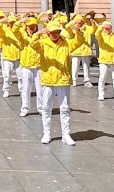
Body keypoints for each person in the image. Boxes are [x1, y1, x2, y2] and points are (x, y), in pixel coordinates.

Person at [35, 17, 85, 145]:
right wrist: (37, 34)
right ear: (48, 32)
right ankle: (46, 133)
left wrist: (78, 31)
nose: (55, 34)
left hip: (63, 80)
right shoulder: (43, 43)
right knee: (46, 108)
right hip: (49, 80)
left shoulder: (66, 43)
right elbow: (32, 45)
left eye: (57, 31)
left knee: (65, 108)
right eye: (52, 32)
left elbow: (79, 42)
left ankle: (66, 134)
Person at [17, 17, 43, 117]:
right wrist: (20, 21)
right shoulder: (22, 36)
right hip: (26, 66)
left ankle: (40, 108)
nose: (31, 28)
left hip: (38, 66)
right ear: (26, 27)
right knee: (26, 89)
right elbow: (15, 29)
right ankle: (25, 108)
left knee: (40, 89)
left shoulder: (40, 37)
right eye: (30, 26)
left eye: (33, 26)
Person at [94, 20, 114, 101]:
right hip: (104, 60)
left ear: (111, 28)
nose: (107, 29)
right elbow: (97, 34)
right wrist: (101, 27)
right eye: (106, 28)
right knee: (102, 77)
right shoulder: (101, 36)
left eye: (109, 28)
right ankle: (101, 93)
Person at [70, 12, 96, 88]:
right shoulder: (72, 28)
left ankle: (87, 81)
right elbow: (66, 27)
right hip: (76, 50)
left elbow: (93, 30)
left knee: (86, 66)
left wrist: (93, 24)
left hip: (86, 50)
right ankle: (73, 80)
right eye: (77, 21)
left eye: (80, 21)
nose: (79, 22)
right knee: (75, 66)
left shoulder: (87, 27)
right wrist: (73, 22)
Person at [0, 14, 22, 98]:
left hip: (18, 56)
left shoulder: (19, 30)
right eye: (10, 22)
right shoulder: (4, 30)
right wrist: (2, 20)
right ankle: (6, 90)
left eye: (13, 22)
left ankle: (22, 91)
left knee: (20, 76)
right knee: (7, 75)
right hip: (8, 56)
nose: (12, 24)